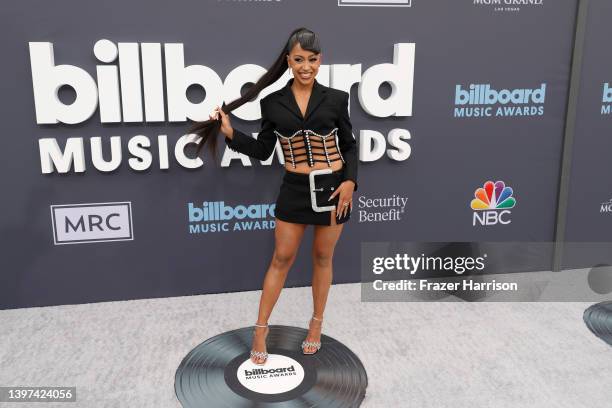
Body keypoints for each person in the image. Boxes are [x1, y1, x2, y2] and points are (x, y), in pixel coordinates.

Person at [191, 27, 358, 365]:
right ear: (288, 61)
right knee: (281, 259)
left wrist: (351, 182)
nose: (306, 66)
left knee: (324, 259)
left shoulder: (337, 98)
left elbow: (349, 145)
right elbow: (264, 149)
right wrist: (230, 133)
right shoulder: (272, 102)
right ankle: (260, 330)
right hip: (295, 190)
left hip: (333, 189)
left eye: (312, 60)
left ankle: (315, 325)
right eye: (299, 59)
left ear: (320, 61)